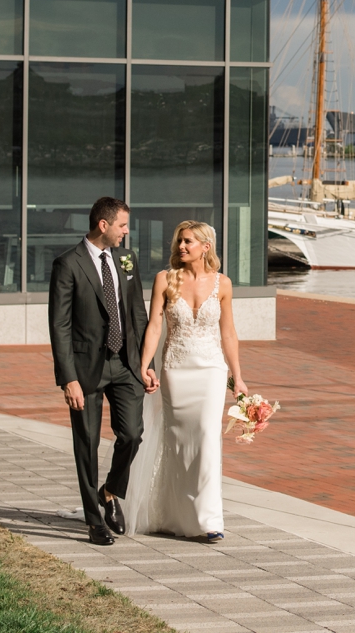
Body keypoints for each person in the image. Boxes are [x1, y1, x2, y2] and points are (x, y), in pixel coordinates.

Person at [129, 220, 247, 542]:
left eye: (188, 242)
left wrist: (238, 378)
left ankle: (208, 521)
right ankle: (175, 515)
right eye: (180, 241)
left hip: (211, 370)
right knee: (178, 442)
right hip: (175, 370)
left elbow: (228, 333)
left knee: (208, 437)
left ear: (205, 247)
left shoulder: (223, 284)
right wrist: (144, 365)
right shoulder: (164, 280)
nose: (181, 247)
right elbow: (154, 326)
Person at [48, 197, 151, 546]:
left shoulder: (127, 259)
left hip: (125, 364)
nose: (127, 232)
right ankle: (94, 521)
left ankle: (109, 492)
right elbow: (59, 326)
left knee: (133, 434)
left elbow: (137, 312)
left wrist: (144, 364)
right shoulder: (67, 264)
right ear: (103, 225)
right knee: (87, 445)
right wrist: (68, 378)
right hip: (86, 368)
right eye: (122, 226)